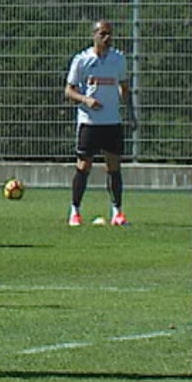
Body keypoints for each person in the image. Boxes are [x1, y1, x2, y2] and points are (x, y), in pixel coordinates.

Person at [64, 19, 134, 227]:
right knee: (83, 166)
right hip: (89, 122)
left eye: (109, 33)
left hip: (111, 121)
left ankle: (117, 213)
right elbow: (69, 90)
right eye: (102, 34)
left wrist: (129, 111)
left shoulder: (118, 59)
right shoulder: (82, 60)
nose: (107, 38)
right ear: (94, 35)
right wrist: (86, 100)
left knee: (114, 166)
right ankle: (75, 211)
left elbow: (124, 87)